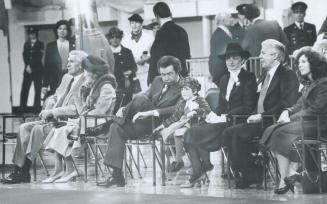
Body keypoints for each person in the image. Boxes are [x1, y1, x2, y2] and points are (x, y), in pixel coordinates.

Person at [222, 39, 299, 189]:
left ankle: (251, 173)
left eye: (263, 53)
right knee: (228, 133)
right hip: (258, 120)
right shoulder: (265, 75)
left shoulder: (287, 74)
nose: (260, 56)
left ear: (275, 56)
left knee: (235, 133)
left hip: (273, 122)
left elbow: (287, 103)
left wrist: (262, 116)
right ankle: (251, 170)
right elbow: (258, 99)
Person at [2, 50, 88, 184]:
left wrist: (54, 112)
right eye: (68, 61)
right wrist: (49, 106)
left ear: (82, 65)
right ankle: (19, 169)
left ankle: (23, 171)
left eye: (71, 62)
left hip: (68, 123)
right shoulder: (66, 78)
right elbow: (55, 95)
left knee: (37, 129)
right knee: (24, 127)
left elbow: (77, 109)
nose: (68, 64)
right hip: (54, 120)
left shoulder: (86, 81)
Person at [98, 55, 184, 187]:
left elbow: (177, 109)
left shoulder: (184, 87)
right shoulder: (157, 80)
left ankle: (111, 121)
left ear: (178, 71)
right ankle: (117, 176)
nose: (165, 78)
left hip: (161, 124)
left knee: (139, 100)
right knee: (116, 128)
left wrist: (149, 111)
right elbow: (146, 94)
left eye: (169, 74)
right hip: (142, 122)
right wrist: (125, 109)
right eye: (163, 74)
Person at [181, 43, 257, 188]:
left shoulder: (249, 78)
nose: (231, 61)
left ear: (242, 60)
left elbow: (248, 106)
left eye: (235, 58)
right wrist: (213, 114)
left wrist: (226, 116)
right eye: (228, 58)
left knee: (199, 134)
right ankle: (200, 170)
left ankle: (201, 171)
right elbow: (222, 105)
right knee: (191, 132)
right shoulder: (224, 78)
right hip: (223, 120)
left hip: (238, 122)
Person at [260, 47, 327, 194]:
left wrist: (291, 118)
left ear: (314, 64)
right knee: (275, 129)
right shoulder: (310, 84)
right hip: (307, 123)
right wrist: (287, 111)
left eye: (304, 61)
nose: (300, 65)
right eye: (299, 62)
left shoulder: (323, 83)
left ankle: (287, 176)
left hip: (319, 125)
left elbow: (317, 109)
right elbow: (299, 105)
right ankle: (286, 178)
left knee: (280, 131)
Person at [42, 55, 117, 183]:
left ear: (94, 72)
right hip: (89, 121)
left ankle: (69, 170)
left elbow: (99, 111)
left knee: (65, 130)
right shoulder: (92, 86)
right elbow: (83, 110)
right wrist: (81, 94)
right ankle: (61, 170)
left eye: (86, 70)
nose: (85, 73)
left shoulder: (106, 87)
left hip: (102, 124)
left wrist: (79, 117)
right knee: (59, 128)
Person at [153, 77, 211, 173]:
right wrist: (163, 125)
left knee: (179, 133)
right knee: (172, 133)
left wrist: (196, 111)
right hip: (185, 125)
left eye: (186, 89)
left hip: (199, 126)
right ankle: (179, 160)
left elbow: (207, 111)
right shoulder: (182, 102)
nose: (183, 92)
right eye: (182, 89)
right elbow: (175, 117)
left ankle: (192, 163)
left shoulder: (200, 100)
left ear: (195, 90)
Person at [148, 1, 190, 85]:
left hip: (167, 78)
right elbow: (187, 55)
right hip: (181, 76)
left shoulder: (161, 33)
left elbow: (156, 58)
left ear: (157, 16)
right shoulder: (182, 30)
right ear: (170, 14)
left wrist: (151, 79)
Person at [121, 14, 154, 92]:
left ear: (141, 24)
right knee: (133, 98)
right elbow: (123, 57)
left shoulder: (150, 38)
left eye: (137, 23)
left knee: (147, 95)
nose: (134, 25)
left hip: (146, 72)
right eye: (132, 23)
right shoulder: (125, 40)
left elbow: (154, 54)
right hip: (131, 74)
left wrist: (146, 59)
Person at [43, 20, 75, 99]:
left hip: (70, 77)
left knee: (68, 99)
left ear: (68, 31)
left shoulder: (73, 44)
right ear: (56, 31)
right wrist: (45, 85)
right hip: (55, 79)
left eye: (65, 29)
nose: (62, 31)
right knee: (56, 100)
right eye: (60, 29)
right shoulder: (50, 46)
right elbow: (47, 66)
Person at [106, 27, 137, 108]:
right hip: (112, 85)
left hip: (126, 85)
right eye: (112, 37)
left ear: (120, 38)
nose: (115, 39)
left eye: (117, 37)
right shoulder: (106, 53)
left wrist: (130, 71)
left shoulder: (127, 52)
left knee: (126, 107)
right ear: (109, 39)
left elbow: (134, 67)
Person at [20, 26, 44, 113]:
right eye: (30, 34)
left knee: (37, 90)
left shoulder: (40, 44)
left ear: (36, 34)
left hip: (37, 70)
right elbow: (24, 56)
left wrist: (31, 66)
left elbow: (38, 57)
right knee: (24, 89)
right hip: (27, 70)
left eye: (33, 33)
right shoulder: (26, 44)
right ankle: (22, 109)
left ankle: (36, 109)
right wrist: (27, 66)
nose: (31, 35)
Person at [209, 12, 236, 86]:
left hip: (224, 73)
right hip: (223, 73)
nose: (233, 19)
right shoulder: (220, 35)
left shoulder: (221, 34)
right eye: (230, 17)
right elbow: (221, 56)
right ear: (223, 21)